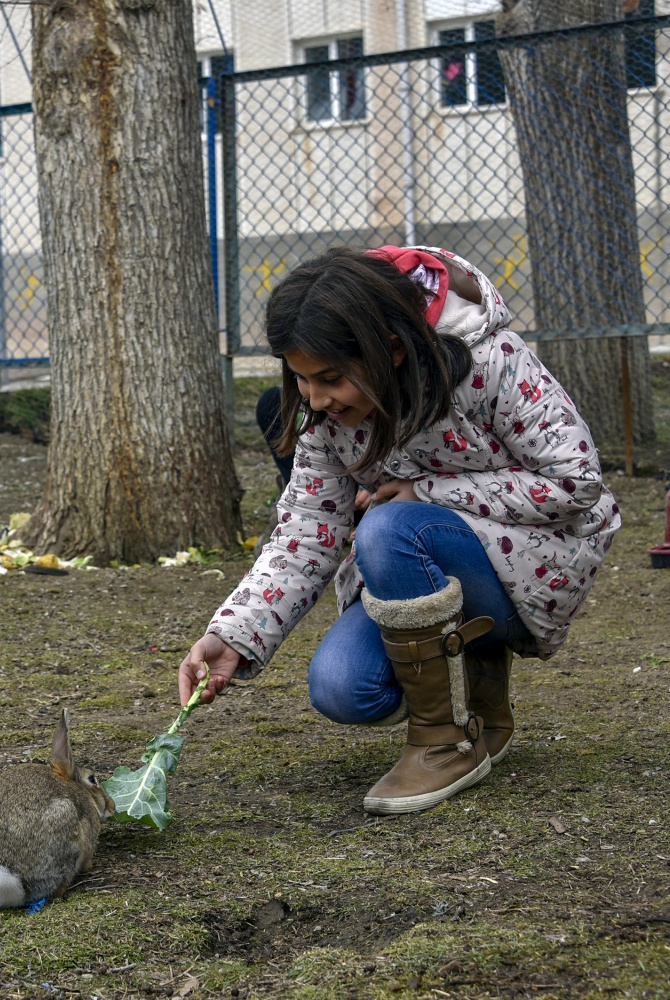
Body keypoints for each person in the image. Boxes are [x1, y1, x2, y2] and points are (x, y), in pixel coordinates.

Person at [179, 246, 620, 815]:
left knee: (388, 527)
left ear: (389, 348)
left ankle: (443, 745)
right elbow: (306, 531)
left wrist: (428, 492)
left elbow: (577, 482)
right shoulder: (324, 415)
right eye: (301, 378)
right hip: (412, 564)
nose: (314, 398)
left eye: (332, 378)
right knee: (344, 689)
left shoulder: (493, 362)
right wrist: (233, 636)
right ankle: (465, 664)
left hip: (531, 568)